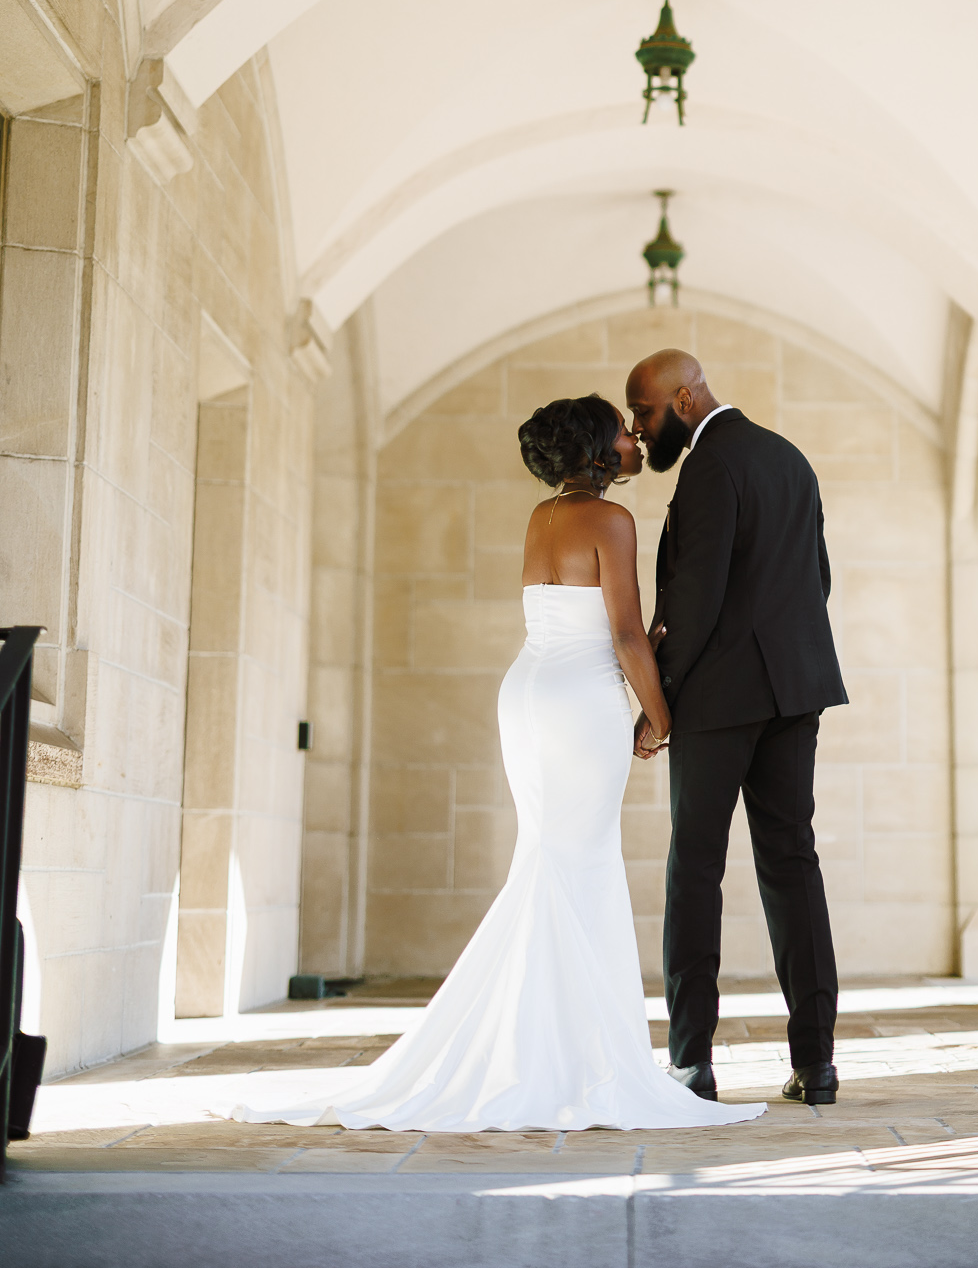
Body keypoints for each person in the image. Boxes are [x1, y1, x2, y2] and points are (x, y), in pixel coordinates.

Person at [230, 394, 764, 1133]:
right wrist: (661, 719)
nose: (634, 440)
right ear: (596, 449)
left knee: (550, 863)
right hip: (582, 702)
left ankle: (544, 1052)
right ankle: (578, 1062)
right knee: (578, 865)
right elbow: (626, 638)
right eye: (621, 431)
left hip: (528, 693)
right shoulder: (610, 519)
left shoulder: (541, 517)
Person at [625, 350, 848, 1108]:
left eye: (645, 412)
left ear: (684, 399)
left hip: (720, 702)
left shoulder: (709, 467)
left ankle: (691, 1062)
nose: (637, 428)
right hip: (796, 693)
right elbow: (816, 578)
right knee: (792, 864)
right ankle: (815, 1065)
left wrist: (658, 706)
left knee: (694, 869)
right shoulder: (789, 459)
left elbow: (694, 599)